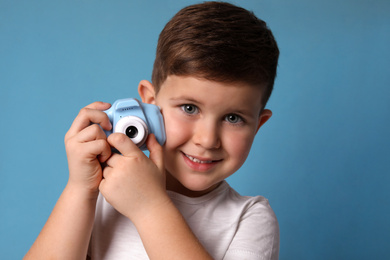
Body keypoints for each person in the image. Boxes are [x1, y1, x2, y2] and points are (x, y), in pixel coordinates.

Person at [24, 1, 280, 259]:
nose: (207, 140)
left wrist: (150, 208)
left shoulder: (250, 217)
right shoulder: (105, 190)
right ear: (149, 102)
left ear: (258, 125)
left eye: (233, 117)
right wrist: (79, 189)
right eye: (189, 108)